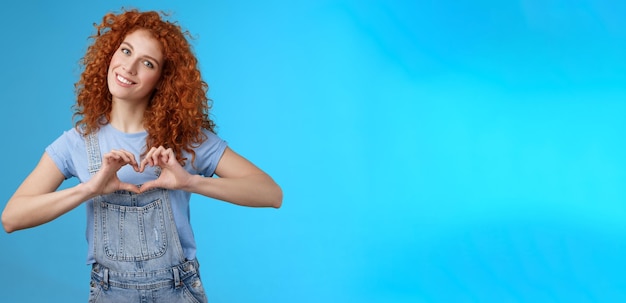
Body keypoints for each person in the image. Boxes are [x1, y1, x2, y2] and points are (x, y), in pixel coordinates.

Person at [1, 9, 282, 303]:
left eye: (147, 63)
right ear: (110, 54)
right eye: (125, 51)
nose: (129, 67)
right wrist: (90, 189)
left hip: (178, 291)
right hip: (110, 293)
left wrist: (190, 182)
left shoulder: (186, 141)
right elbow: (12, 218)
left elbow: (271, 194)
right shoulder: (76, 144)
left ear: (162, 79)